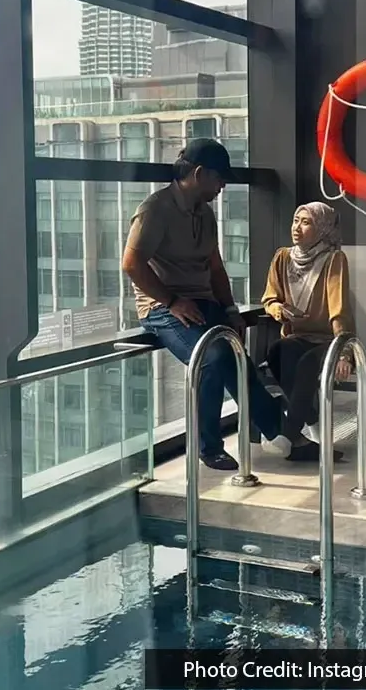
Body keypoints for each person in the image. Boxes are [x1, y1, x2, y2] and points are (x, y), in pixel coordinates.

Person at [122, 138, 318, 471]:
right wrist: (171, 301)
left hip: (203, 303)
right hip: (163, 308)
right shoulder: (155, 210)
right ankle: (210, 446)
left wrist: (229, 310)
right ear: (199, 174)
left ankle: (279, 435)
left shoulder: (206, 214)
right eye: (219, 178)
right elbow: (131, 264)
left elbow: (215, 267)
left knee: (237, 356)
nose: (223, 186)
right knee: (211, 357)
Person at [261, 202, 354, 457]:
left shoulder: (334, 259)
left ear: (323, 229)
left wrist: (343, 352)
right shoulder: (282, 257)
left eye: (306, 222)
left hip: (330, 340)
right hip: (298, 337)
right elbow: (269, 298)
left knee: (306, 363)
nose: (297, 228)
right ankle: (311, 419)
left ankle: (289, 435)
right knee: (279, 352)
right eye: (295, 220)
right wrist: (279, 310)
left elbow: (339, 310)